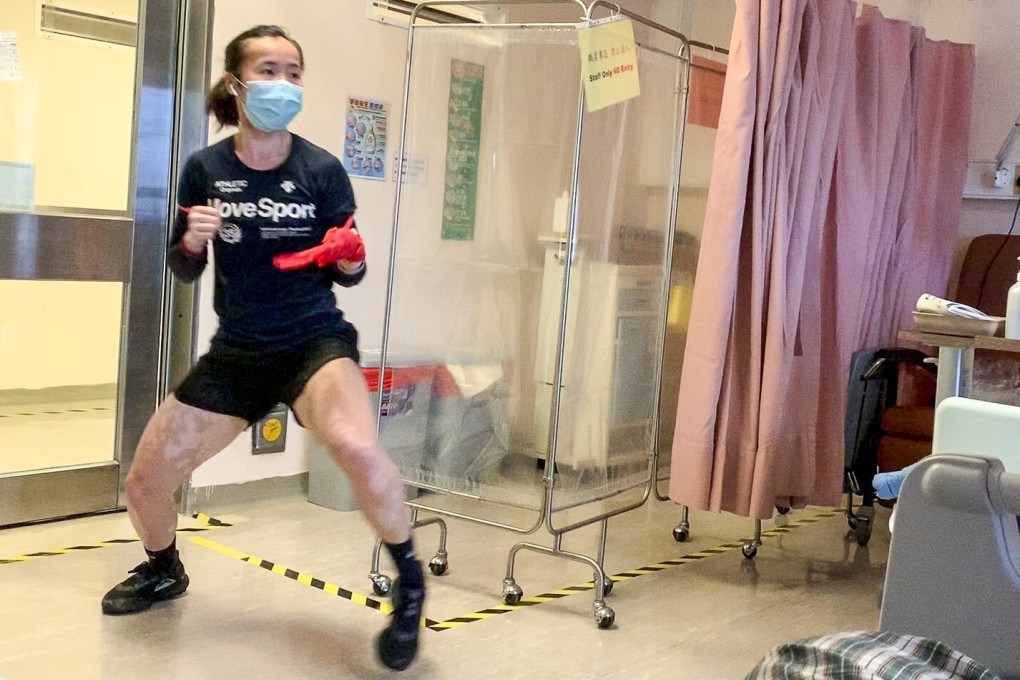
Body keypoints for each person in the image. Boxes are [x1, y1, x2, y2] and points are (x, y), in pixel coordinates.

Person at [99, 25, 425, 672]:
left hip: (314, 343)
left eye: (294, 72)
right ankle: (165, 569)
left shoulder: (322, 170)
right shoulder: (206, 168)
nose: (285, 84)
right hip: (240, 349)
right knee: (143, 485)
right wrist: (192, 239)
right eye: (269, 70)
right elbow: (185, 268)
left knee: (357, 446)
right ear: (236, 83)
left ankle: (411, 586)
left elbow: (346, 272)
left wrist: (353, 257)